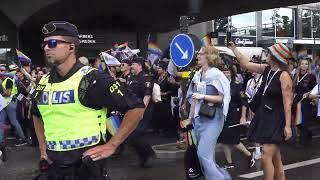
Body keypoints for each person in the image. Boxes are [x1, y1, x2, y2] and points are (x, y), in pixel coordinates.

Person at [33, 21, 145, 179]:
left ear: (71, 46)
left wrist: (113, 144)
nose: (46, 48)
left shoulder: (94, 79)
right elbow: (36, 113)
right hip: (53, 168)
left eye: (52, 43)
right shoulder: (43, 82)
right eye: (44, 44)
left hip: (85, 168)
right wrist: (43, 149)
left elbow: (137, 108)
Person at [228, 42, 292, 180]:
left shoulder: (284, 75)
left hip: (277, 120)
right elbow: (246, 64)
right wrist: (234, 49)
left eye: (268, 53)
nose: (266, 55)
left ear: (275, 57)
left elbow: (288, 102)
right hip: (266, 117)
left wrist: (287, 126)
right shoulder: (267, 69)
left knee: (265, 156)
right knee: (276, 159)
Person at [186, 46, 231, 180]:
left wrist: (203, 97)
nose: (198, 56)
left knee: (203, 154)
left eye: (201, 53)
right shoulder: (197, 74)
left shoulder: (216, 74)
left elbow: (222, 98)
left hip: (213, 119)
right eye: (198, 53)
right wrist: (190, 118)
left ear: (209, 56)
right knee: (207, 157)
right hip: (198, 119)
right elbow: (191, 97)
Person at [218, 65, 255, 169]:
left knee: (234, 141)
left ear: (231, 73)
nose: (226, 74)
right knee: (222, 140)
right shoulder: (218, 85)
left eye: (228, 72)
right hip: (221, 116)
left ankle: (249, 155)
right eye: (224, 72)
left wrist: (243, 117)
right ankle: (229, 163)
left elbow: (244, 102)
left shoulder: (237, 85)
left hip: (233, 116)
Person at [126, 56, 156, 168]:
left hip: (144, 110)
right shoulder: (133, 78)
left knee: (137, 133)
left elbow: (147, 95)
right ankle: (143, 157)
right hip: (133, 110)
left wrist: (141, 111)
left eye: (133, 64)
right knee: (132, 135)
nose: (131, 67)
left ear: (139, 65)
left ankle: (150, 154)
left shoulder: (146, 78)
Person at [0, 64, 27, 147]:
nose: (0, 72)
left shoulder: (8, 80)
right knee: (1, 122)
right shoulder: (4, 80)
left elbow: (7, 94)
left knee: (14, 122)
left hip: (10, 103)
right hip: (4, 104)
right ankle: (0, 141)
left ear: (7, 72)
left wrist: (0, 85)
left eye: (2, 70)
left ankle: (23, 139)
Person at [292, 58, 316, 147]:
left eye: (306, 64)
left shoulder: (311, 76)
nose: (304, 65)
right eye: (302, 63)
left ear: (308, 65)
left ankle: (302, 142)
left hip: (305, 101)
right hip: (296, 100)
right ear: (299, 65)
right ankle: (308, 133)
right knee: (297, 122)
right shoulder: (295, 75)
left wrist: (308, 93)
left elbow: (315, 89)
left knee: (303, 122)